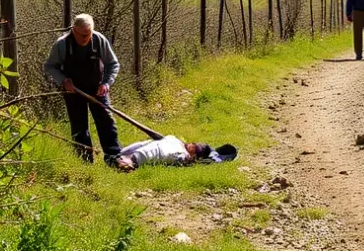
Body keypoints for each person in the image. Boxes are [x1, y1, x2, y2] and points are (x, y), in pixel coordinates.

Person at [44, 14, 122, 164]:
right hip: (73, 91)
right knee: (79, 126)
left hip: (97, 89)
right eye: (82, 34)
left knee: (106, 121)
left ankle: (114, 157)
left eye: (89, 33)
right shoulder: (62, 45)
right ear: (74, 30)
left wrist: (106, 83)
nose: (86, 37)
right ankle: (85, 161)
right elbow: (50, 67)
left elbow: (113, 64)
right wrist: (63, 80)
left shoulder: (99, 40)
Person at [114, 136, 237, 171]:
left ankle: (129, 161)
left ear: (195, 155)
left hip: (144, 156)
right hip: (139, 149)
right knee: (147, 144)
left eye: (195, 149)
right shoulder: (174, 139)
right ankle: (122, 155)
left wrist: (188, 160)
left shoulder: (183, 156)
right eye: (194, 145)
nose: (192, 147)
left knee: (159, 151)